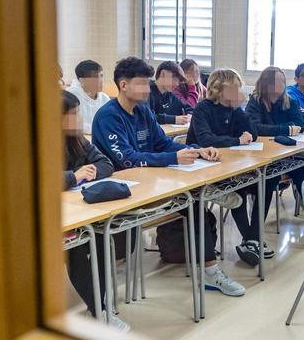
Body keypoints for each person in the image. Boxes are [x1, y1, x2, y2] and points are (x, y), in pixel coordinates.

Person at [93, 57, 245, 297]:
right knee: (194, 199)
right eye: (142, 84)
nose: (147, 89)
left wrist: (196, 150)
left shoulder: (143, 109)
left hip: (151, 179)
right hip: (125, 189)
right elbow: (126, 159)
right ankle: (207, 192)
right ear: (124, 85)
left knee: (197, 207)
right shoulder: (108, 116)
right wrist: (173, 158)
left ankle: (211, 273)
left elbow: (162, 142)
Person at [187, 68, 275, 266]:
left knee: (268, 181)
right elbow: (206, 139)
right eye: (234, 88)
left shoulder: (234, 110)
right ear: (220, 89)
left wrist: (239, 109)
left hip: (229, 164)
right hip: (204, 167)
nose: (238, 91)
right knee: (240, 188)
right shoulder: (203, 108)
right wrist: (237, 140)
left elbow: (252, 133)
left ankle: (252, 240)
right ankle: (252, 240)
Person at [61, 90, 129, 332]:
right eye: (73, 113)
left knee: (101, 237)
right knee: (79, 250)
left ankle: (97, 306)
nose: (79, 118)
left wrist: (87, 173)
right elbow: (34, 178)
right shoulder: (37, 142)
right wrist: (73, 176)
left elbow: (105, 163)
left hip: (80, 208)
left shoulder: (78, 139)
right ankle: (100, 312)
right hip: (56, 217)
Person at [245, 66, 304, 197]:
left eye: (282, 81)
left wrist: (282, 128)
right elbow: (255, 127)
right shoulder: (256, 101)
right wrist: (287, 128)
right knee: (294, 171)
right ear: (266, 83)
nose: (281, 85)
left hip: (288, 149)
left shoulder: (289, 99)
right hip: (266, 152)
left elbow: (300, 124)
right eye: (277, 82)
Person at [66, 59, 111, 135]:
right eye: (96, 77)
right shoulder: (70, 96)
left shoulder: (105, 98)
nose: (101, 80)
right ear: (82, 81)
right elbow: (72, 124)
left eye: (101, 75)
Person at [149, 60, 192, 126]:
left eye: (178, 81)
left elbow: (189, 108)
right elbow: (146, 117)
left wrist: (190, 115)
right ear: (163, 73)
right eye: (174, 78)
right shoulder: (145, 93)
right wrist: (173, 119)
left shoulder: (171, 95)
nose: (177, 84)